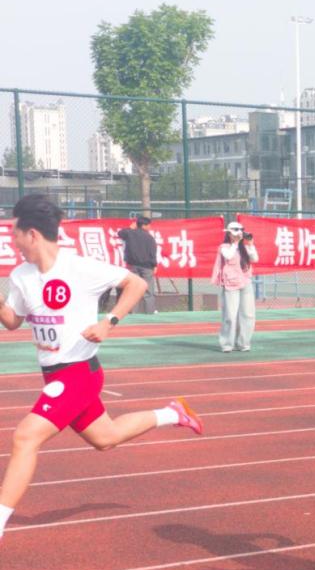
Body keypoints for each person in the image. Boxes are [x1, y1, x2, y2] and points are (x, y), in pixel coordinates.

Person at [0, 195, 203, 542]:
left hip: (79, 372)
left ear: (32, 234)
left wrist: (109, 322)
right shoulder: (21, 276)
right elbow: (12, 321)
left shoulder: (80, 267)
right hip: (52, 374)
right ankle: (172, 413)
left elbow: (136, 284)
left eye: (15, 233)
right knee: (105, 438)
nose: (13, 241)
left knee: (25, 437)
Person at [211, 221, 258, 353]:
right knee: (230, 316)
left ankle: (243, 343)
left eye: (240, 231)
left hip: (245, 282)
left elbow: (255, 259)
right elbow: (228, 256)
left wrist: (250, 244)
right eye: (235, 232)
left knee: (248, 315)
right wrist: (236, 243)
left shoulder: (244, 247)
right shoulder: (224, 247)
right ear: (229, 234)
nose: (238, 234)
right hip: (230, 284)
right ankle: (227, 344)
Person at [117, 216, 158, 314]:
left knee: (134, 289)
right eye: (148, 225)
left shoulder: (130, 233)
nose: (150, 227)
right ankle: (149, 312)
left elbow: (120, 233)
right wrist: (154, 265)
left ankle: (134, 313)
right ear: (144, 225)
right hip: (147, 267)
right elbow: (152, 253)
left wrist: (130, 228)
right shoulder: (149, 238)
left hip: (133, 266)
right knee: (148, 291)